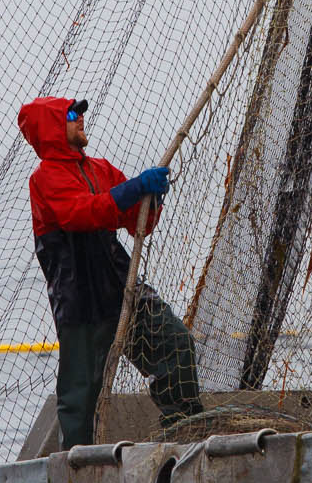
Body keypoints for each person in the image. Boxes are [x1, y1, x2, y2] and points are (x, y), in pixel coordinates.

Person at [18, 96, 204, 448]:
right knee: (82, 396)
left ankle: (183, 435)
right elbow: (81, 213)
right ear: (52, 127)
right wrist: (134, 187)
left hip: (122, 288)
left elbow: (137, 223)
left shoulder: (99, 169)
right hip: (80, 302)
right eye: (72, 114)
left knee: (175, 343)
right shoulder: (44, 179)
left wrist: (151, 201)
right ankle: (78, 469)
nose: (81, 119)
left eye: (81, 113)